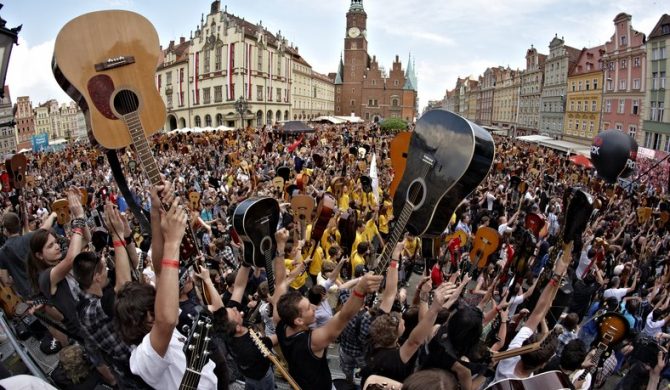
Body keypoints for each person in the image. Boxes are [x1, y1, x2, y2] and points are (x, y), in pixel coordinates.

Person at [116, 187, 218, 388]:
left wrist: (155, 212)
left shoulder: (157, 325)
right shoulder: (143, 358)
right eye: (154, 308)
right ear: (145, 318)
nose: (160, 305)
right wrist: (173, 243)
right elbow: (166, 321)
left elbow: (161, 271)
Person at [275, 265, 383, 389]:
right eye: (309, 308)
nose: (315, 307)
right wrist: (360, 290)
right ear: (299, 320)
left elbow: (279, 284)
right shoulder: (313, 341)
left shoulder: (280, 324)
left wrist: (280, 250)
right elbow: (344, 316)